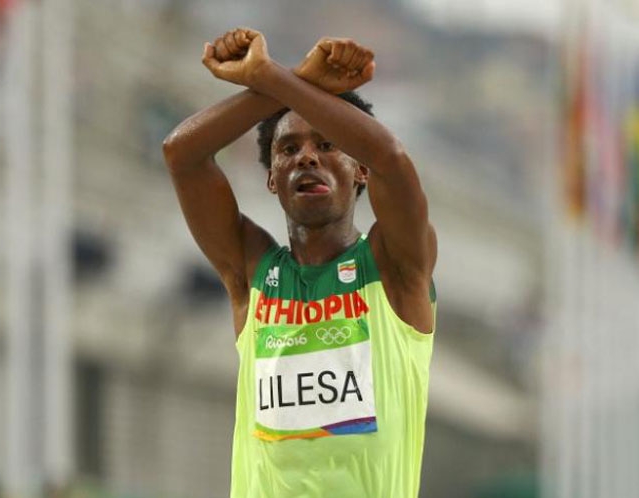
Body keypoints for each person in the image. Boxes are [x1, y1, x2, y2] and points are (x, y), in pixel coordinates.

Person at [162, 27, 437, 498]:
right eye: (288, 150)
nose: (307, 156)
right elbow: (181, 153)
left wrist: (272, 77)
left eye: (328, 145)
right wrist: (292, 80)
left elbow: (392, 156)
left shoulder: (395, 264)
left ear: (360, 171)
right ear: (272, 179)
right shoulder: (251, 275)